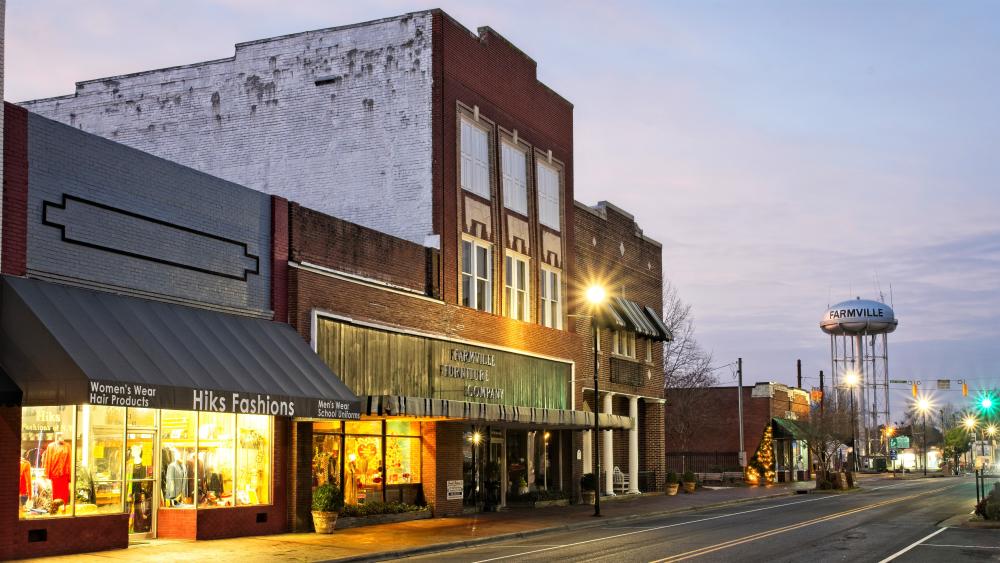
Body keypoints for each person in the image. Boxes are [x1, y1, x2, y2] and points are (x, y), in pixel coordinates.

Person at [42, 433, 71, 508]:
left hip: (65, 474)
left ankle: (64, 508)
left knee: (64, 493)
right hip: (55, 473)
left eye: (62, 436)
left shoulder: (67, 446)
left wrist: (71, 474)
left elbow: (70, 460)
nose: (61, 437)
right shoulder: (51, 446)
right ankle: (55, 508)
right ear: (56, 437)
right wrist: (46, 473)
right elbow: (48, 460)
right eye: (59, 436)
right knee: (56, 492)